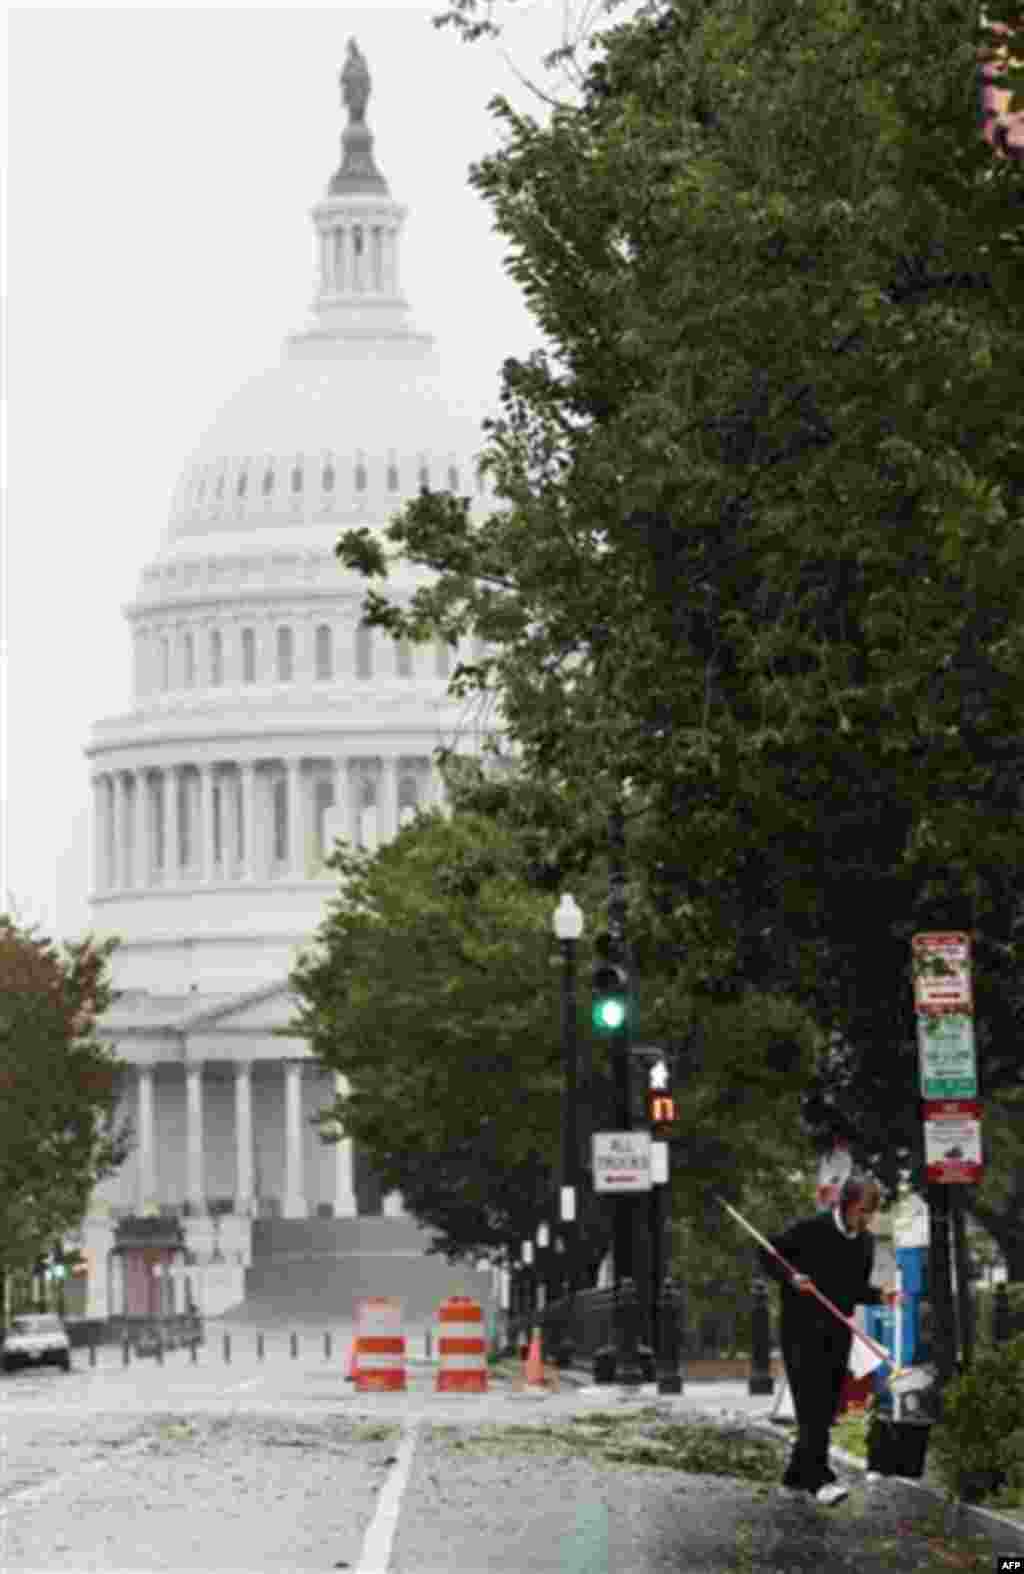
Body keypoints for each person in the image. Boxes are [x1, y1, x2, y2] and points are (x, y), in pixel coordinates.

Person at [758, 1173, 905, 1506]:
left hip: (837, 1333)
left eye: (871, 1212)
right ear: (847, 1204)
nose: (867, 1219)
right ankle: (820, 1479)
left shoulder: (865, 1242)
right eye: (863, 1210)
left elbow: (850, 1289)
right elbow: (767, 1254)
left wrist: (880, 1297)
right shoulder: (810, 1229)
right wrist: (791, 1278)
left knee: (824, 1410)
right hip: (800, 1331)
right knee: (812, 1407)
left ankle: (795, 1478)